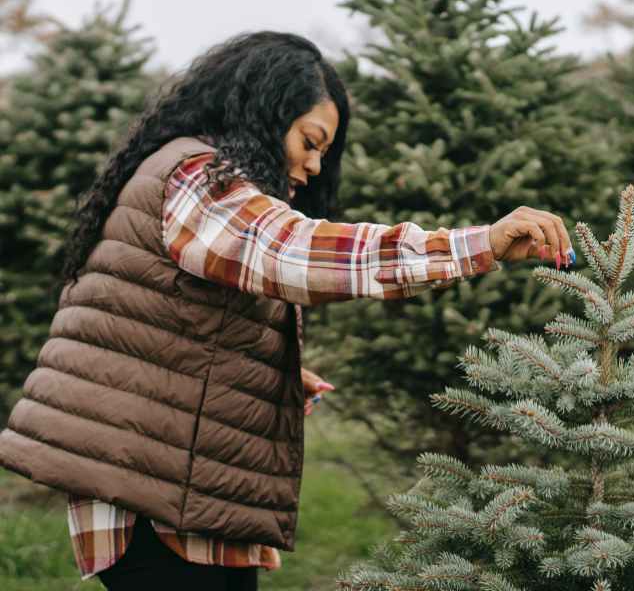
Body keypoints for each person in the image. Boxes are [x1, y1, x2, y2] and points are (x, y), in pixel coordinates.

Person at [0, 31, 574, 590]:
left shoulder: (189, 174)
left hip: (183, 489)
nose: (316, 166)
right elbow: (293, 255)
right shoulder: (199, 179)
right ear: (265, 114)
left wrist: (268, 373)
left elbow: (158, 323)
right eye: (310, 141)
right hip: (154, 495)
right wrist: (477, 245)